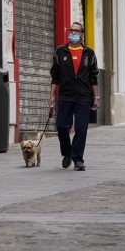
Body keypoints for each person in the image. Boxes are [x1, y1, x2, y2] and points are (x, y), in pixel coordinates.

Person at [48, 22, 99, 171]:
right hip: (65, 95)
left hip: (84, 96)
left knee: (81, 128)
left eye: (77, 31)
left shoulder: (89, 53)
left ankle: (78, 160)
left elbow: (94, 77)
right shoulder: (60, 51)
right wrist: (51, 96)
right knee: (62, 126)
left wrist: (96, 97)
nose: (74, 33)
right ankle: (67, 152)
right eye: (71, 30)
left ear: (82, 34)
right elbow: (55, 76)